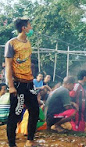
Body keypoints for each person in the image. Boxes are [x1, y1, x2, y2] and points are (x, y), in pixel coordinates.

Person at [4, 18, 39, 147]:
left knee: (34, 110)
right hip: (18, 84)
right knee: (15, 114)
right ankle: (12, 144)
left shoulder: (28, 42)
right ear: (24, 28)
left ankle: (30, 140)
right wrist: (11, 86)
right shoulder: (11, 43)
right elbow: (8, 66)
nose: (31, 28)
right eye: (30, 26)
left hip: (29, 84)